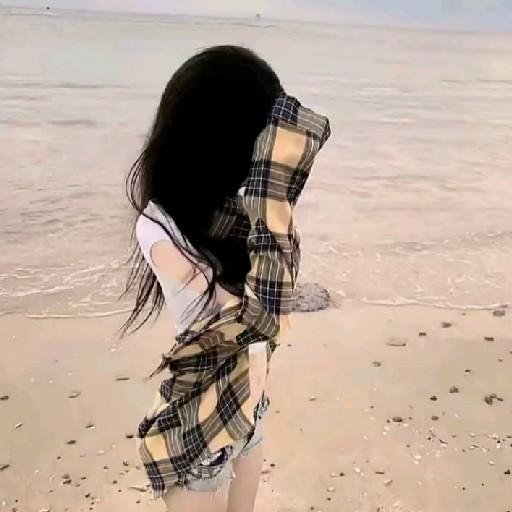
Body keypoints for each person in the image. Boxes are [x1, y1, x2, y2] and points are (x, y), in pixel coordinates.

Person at [124, 45, 330, 512]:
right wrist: (273, 194)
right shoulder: (158, 226)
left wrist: (272, 189)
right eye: (259, 139)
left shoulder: (239, 213)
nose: (262, 153)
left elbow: (278, 282)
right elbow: (255, 317)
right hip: (199, 429)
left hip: (248, 408)